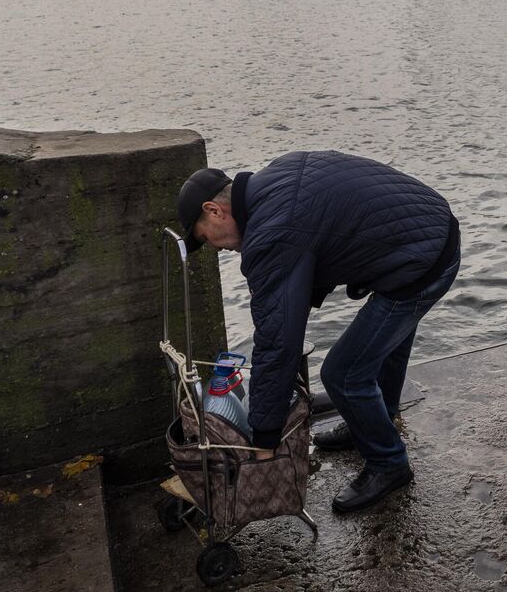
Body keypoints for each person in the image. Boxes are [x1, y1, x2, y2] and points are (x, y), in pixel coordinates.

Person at [176, 151, 460, 514]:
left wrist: (264, 434)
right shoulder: (275, 177)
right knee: (384, 346)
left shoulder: (271, 232)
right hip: (428, 231)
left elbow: (276, 342)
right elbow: (317, 238)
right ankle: (374, 423)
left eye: (207, 237)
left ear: (214, 210)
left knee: (343, 373)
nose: (219, 248)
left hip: (424, 261)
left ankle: (389, 463)